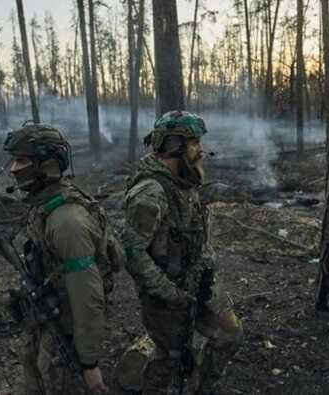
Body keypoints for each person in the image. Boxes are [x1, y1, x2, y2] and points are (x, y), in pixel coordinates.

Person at [122, 111, 244, 395]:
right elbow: (133, 252)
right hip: (167, 297)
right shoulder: (151, 192)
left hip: (198, 285)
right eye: (193, 143)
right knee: (169, 360)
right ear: (174, 146)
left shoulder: (183, 183)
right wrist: (169, 292)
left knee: (230, 334)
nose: (200, 149)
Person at [3, 122, 121, 395]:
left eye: (22, 161)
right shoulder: (44, 205)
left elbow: (87, 294)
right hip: (43, 326)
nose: (14, 169)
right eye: (14, 160)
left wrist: (89, 362)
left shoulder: (67, 221)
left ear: (47, 165)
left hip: (64, 336)